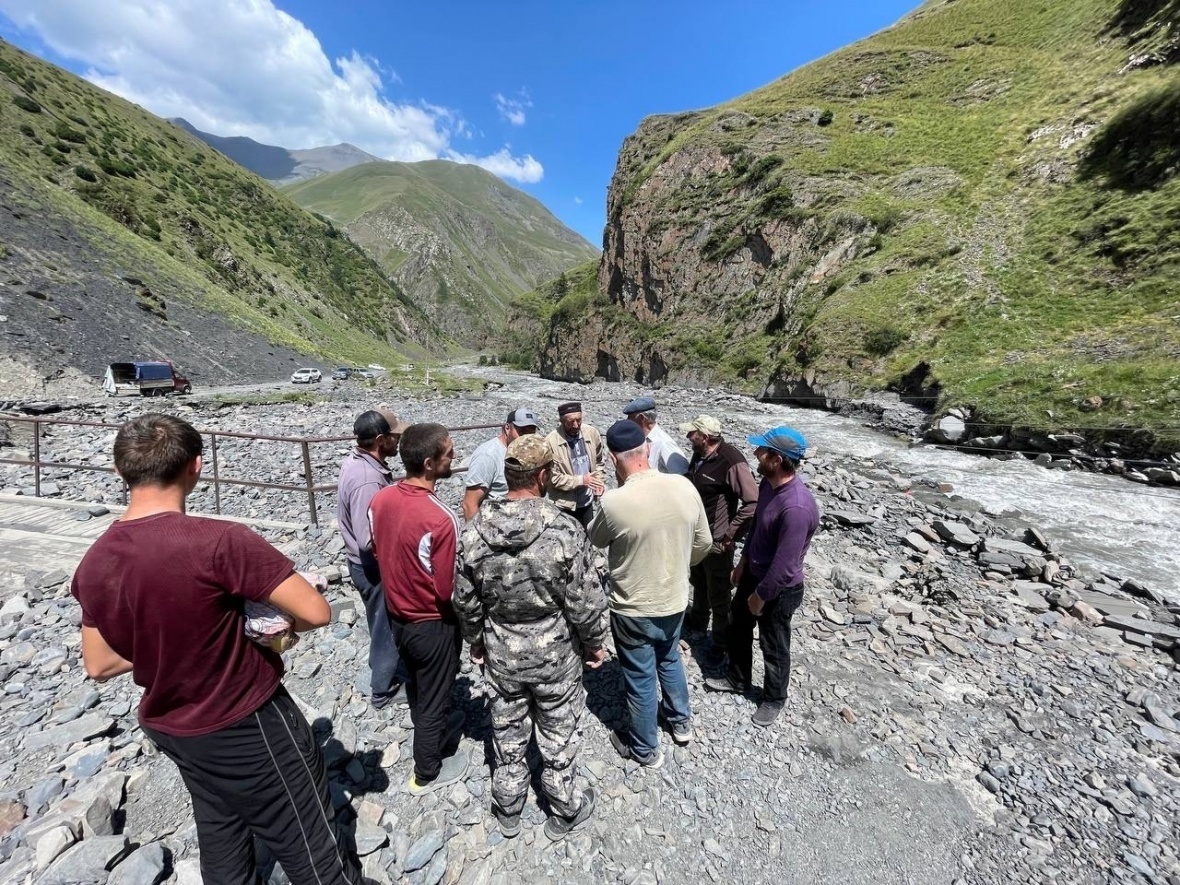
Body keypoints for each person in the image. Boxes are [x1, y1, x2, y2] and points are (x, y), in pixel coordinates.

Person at [71, 413, 361, 885]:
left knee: (222, 832)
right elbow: (316, 611)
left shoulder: (94, 562)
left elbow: (99, 663)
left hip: (175, 728)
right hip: (246, 719)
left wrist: (170, 640)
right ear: (196, 466)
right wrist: (255, 631)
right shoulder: (219, 541)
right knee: (310, 840)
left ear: (122, 471)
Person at [454, 434, 608, 842]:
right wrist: (595, 642)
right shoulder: (565, 530)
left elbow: (465, 601)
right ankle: (563, 807)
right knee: (558, 728)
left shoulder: (473, 533)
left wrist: (475, 640)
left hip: (501, 652)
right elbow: (585, 601)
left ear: (508, 474)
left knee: (506, 726)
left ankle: (508, 805)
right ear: (542, 476)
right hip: (555, 654)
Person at [589, 420, 711, 768]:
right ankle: (680, 722)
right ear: (647, 448)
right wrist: (676, 564)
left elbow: (596, 541)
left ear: (614, 459)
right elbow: (703, 543)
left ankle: (645, 749)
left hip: (633, 607)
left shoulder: (614, 502)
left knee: (640, 676)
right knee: (669, 657)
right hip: (674, 597)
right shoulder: (684, 486)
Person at [368, 422, 469, 794]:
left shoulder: (381, 499)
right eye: (448, 452)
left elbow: (375, 547)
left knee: (416, 683)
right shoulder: (440, 517)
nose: (454, 456)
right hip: (432, 622)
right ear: (429, 463)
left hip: (397, 616)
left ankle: (432, 728)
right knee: (435, 695)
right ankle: (427, 770)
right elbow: (446, 589)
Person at [705, 426, 820, 728]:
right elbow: (757, 527)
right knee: (737, 625)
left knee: (774, 643)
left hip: (778, 588)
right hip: (754, 575)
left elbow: (785, 564)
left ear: (778, 459)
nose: (755, 453)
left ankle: (773, 698)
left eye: (762, 450)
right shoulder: (769, 485)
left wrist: (760, 596)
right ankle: (738, 678)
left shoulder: (796, 506)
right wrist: (743, 564)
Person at [336, 408, 410, 709]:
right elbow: (369, 539)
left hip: (359, 563)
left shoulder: (359, 463)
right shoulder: (368, 479)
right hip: (371, 567)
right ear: (381, 440)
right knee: (384, 625)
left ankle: (386, 673)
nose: (399, 441)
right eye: (395, 437)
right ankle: (382, 689)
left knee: (379, 621)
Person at [679, 414, 759, 667]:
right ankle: (700, 620)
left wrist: (730, 533)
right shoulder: (700, 453)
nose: (688, 436)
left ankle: (721, 642)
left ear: (704, 437)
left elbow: (753, 502)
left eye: (692, 433)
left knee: (720, 593)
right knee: (699, 579)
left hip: (717, 539)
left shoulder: (731, 461)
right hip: (697, 535)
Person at [461, 407, 540, 520]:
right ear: (507, 428)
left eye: (531, 432)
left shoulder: (528, 450)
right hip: (497, 527)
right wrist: (476, 535)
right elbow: (469, 504)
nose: (526, 438)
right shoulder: (487, 456)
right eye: (522, 431)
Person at [544, 401, 607, 527]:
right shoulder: (550, 442)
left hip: (587, 502)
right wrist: (581, 480)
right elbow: (551, 478)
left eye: (579, 420)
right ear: (561, 421)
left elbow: (599, 461)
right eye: (570, 422)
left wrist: (598, 482)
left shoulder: (591, 433)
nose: (575, 425)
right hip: (563, 505)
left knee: (588, 540)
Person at [622, 396, 689, 475]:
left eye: (630, 418)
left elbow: (682, 476)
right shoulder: (642, 440)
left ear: (641, 418)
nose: (627, 421)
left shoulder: (664, 443)